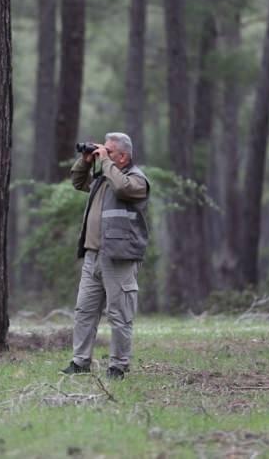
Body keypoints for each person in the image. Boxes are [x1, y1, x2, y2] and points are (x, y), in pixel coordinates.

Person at [61, 132, 150, 380]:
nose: (104, 154)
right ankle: (80, 362)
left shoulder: (136, 180)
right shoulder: (104, 178)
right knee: (84, 312)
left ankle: (118, 366)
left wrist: (106, 163)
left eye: (109, 152)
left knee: (119, 315)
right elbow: (78, 182)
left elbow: (122, 188)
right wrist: (86, 160)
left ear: (123, 156)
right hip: (93, 256)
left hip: (119, 258)